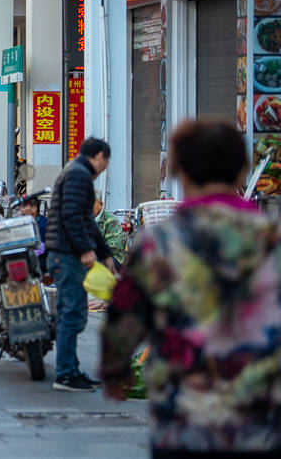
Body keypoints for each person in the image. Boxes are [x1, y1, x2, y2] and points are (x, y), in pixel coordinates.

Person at [102, 120, 281, 457]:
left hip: (184, 417)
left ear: (179, 172)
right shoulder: (271, 239)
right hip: (261, 417)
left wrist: (115, 371)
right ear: (243, 170)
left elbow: (125, 315)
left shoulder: (161, 242)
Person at [44, 136, 115, 392]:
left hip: (65, 253)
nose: (104, 168)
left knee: (72, 312)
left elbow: (87, 222)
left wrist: (105, 254)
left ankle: (71, 369)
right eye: (105, 163)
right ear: (97, 156)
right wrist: (86, 250)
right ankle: (65, 374)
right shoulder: (78, 175)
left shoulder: (76, 173)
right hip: (67, 254)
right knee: (71, 313)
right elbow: (73, 216)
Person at [93, 197, 124, 266]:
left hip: (112, 260)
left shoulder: (112, 221)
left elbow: (112, 248)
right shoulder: (86, 220)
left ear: (100, 204)